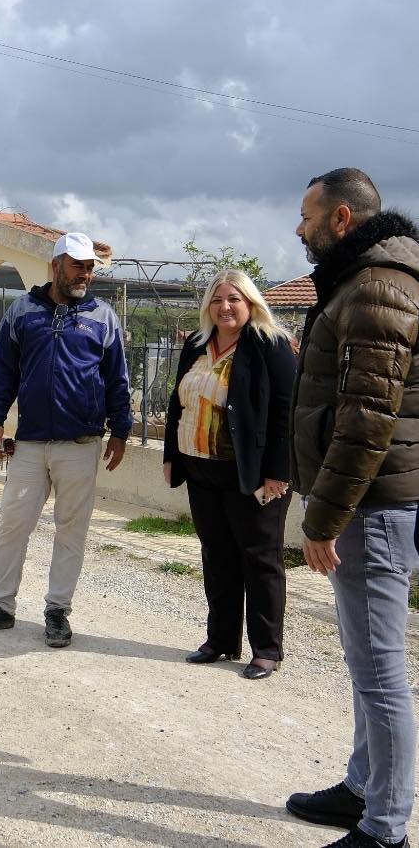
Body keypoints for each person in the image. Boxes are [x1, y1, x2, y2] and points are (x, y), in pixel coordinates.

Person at [282, 168, 419, 848]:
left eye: (307, 216)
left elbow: (366, 421)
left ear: (341, 218)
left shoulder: (374, 289)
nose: (298, 228)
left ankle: (385, 828)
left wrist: (323, 519)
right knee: (366, 662)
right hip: (372, 503)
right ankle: (362, 788)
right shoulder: (367, 280)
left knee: (380, 672)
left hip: (371, 507)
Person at [0, 232, 133, 648]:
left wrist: (121, 431)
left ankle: (57, 611)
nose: (84, 274)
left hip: (81, 444)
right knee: (13, 524)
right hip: (30, 444)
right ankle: (1, 605)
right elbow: (5, 371)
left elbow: (117, 379)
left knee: (71, 530)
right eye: (77, 266)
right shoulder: (22, 312)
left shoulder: (103, 317)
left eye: (89, 268)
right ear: (56, 266)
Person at [162, 270, 296, 680]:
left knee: (259, 558)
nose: (225, 307)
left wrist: (278, 472)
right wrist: (171, 456)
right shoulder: (196, 344)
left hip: (252, 474)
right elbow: (177, 402)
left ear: (250, 303)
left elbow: (287, 412)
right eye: (217, 300)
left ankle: (266, 649)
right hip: (201, 469)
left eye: (234, 299)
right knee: (216, 556)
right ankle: (220, 639)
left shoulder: (271, 344)